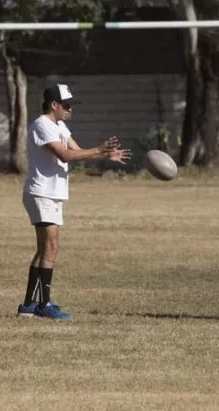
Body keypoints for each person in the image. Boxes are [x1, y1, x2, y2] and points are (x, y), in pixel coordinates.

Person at [17, 83, 131, 320]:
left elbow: (77, 151)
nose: (70, 109)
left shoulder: (60, 126)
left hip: (51, 193)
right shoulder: (42, 125)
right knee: (51, 248)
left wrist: (105, 155)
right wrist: (98, 149)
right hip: (42, 193)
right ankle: (44, 305)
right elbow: (65, 155)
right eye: (67, 105)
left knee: (44, 249)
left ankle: (28, 305)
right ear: (54, 105)